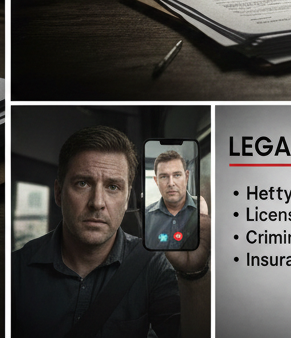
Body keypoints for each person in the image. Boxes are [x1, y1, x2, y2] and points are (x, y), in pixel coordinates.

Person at [12, 126, 211, 338]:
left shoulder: (152, 265)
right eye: (82, 183)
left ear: (127, 200)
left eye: (113, 187)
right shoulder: (16, 269)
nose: (97, 203)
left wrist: (194, 276)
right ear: (59, 193)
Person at [144, 151, 198, 251]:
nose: (171, 183)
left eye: (177, 175)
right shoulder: (145, 217)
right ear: (156, 181)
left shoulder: (204, 210)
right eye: (164, 177)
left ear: (186, 177)